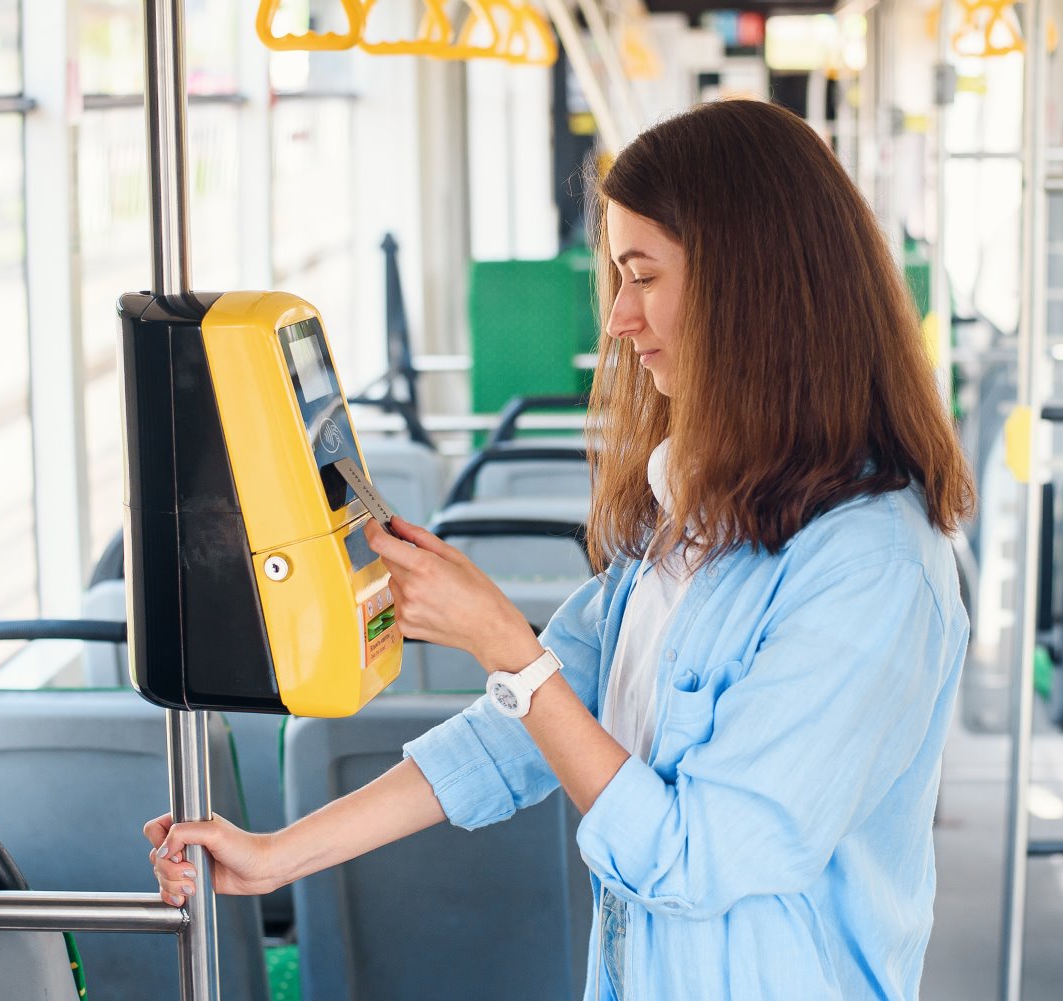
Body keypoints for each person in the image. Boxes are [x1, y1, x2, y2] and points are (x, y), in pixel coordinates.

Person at [145, 98, 975, 1000]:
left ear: (752, 291)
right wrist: (277, 855)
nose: (618, 318)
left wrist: (506, 645)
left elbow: (694, 858)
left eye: (643, 276)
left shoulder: (873, 569)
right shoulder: (691, 517)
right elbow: (515, 736)